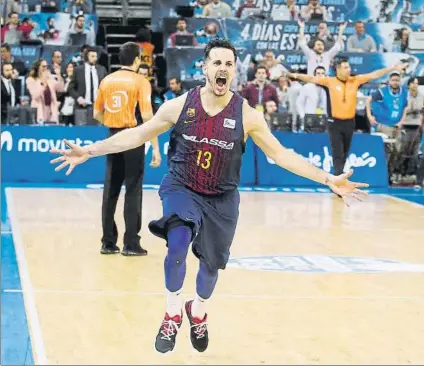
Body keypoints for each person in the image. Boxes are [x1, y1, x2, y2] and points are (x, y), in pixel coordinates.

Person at [50, 38, 369, 354]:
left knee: (210, 270)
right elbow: (137, 134)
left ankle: (197, 312)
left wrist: (328, 179)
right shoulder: (179, 106)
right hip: (182, 187)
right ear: (204, 67)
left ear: (234, 72)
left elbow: (282, 155)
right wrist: (90, 151)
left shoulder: (247, 116)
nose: (223, 68)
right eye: (217, 62)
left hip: (221, 198)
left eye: (229, 64)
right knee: (177, 243)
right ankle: (172, 313)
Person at [285, 58, 409, 176]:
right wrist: (295, 75)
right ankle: (338, 179)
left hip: (349, 123)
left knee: (345, 152)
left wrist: (392, 68)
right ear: (338, 70)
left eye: (349, 67)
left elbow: (374, 74)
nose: (348, 69)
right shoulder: (330, 81)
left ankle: (338, 176)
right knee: (337, 152)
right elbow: (311, 78)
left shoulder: (355, 80)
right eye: (345, 67)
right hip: (335, 123)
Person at [94, 42, 161, 256]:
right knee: (133, 189)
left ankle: (107, 242)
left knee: (110, 190)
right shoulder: (140, 82)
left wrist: (113, 124)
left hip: (112, 135)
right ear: (137, 59)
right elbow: (149, 117)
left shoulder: (106, 80)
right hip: (133, 136)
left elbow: (97, 114)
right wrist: (156, 147)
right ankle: (131, 243)